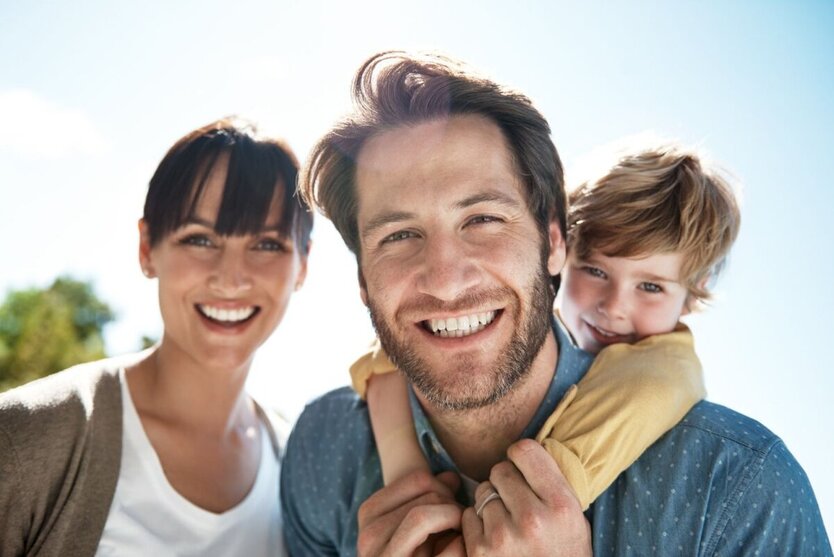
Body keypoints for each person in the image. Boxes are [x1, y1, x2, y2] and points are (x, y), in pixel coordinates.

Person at [281, 51, 831, 555]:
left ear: (553, 244)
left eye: (483, 220)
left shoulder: (736, 486)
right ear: (361, 279)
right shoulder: (322, 452)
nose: (446, 282)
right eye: (399, 236)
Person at [349, 138, 737, 523]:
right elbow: (386, 355)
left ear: (691, 295)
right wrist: (404, 468)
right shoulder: (514, 321)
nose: (614, 307)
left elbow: (549, 500)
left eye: (650, 287)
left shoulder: (664, 374)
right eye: (595, 271)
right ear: (560, 251)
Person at [0, 118, 313, 556]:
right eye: (200, 239)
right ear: (147, 248)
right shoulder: (26, 438)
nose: (231, 278)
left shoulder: (305, 473)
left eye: (266, 244)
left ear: (302, 264)